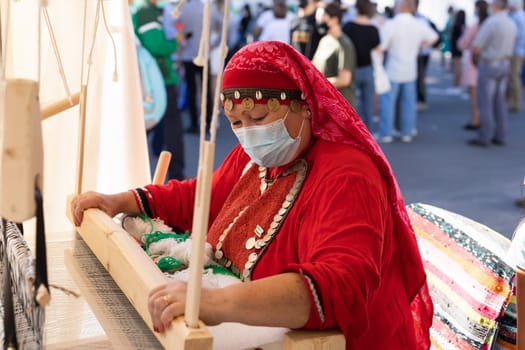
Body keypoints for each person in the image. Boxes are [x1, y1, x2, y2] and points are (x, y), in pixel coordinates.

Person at [70, 41, 433, 348]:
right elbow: (201, 197)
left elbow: (341, 285)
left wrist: (217, 301)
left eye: (259, 119)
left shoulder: (348, 174)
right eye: (237, 124)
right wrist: (120, 201)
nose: (248, 134)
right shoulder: (255, 157)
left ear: (304, 106)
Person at [134, 0, 185, 180]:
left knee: (156, 127)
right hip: (157, 81)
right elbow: (156, 45)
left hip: (157, 80)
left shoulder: (152, 12)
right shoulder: (147, 13)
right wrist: (174, 42)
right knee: (164, 127)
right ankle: (175, 175)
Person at [375, 0, 438, 143]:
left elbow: (381, 47)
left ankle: (386, 132)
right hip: (410, 69)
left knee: (388, 102)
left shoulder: (390, 25)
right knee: (409, 102)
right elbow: (434, 37)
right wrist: (420, 47)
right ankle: (407, 132)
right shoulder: (419, 24)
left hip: (393, 68)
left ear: (398, 7)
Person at [468, 0, 517, 147]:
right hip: (505, 62)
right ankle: (501, 135)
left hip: (490, 63)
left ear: (495, 5)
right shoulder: (510, 22)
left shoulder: (492, 22)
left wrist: (475, 60)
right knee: (499, 101)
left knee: (485, 101)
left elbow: (477, 47)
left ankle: (485, 136)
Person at [342, 0, 380, 130]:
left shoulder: (348, 27)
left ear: (356, 8)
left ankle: (354, 132)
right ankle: (368, 135)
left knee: (352, 104)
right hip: (368, 69)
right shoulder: (373, 29)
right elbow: (378, 49)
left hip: (351, 69)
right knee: (367, 104)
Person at [312, 2, 356, 106]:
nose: (320, 21)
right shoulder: (324, 40)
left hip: (340, 106)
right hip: (324, 103)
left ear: (335, 19)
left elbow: (344, 79)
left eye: (323, 17)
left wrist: (317, 84)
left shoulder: (344, 44)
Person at [457, 0, 489, 131]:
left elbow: (462, 44)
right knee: (487, 95)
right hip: (488, 62)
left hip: (474, 63)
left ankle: (476, 119)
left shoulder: (475, 26)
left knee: (475, 95)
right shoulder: (490, 24)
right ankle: (484, 120)